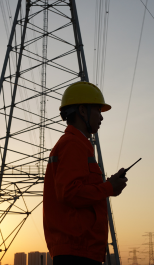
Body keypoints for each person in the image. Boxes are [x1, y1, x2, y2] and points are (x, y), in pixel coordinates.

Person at [43, 81, 128, 265]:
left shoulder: (77, 145)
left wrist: (108, 186)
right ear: (83, 111)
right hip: (77, 250)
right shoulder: (73, 145)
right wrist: (108, 188)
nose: (101, 117)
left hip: (79, 248)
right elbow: (71, 193)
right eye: (98, 110)